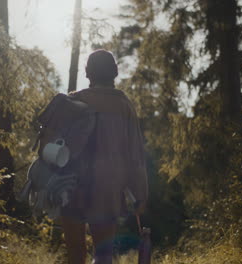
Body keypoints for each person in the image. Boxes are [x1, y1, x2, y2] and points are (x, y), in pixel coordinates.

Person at [61, 49, 148, 264]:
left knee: (74, 252)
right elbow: (135, 157)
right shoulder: (124, 106)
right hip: (107, 190)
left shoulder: (74, 101)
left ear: (88, 73)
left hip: (70, 186)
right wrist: (140, 195)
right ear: (114, 73)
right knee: (103, 254)